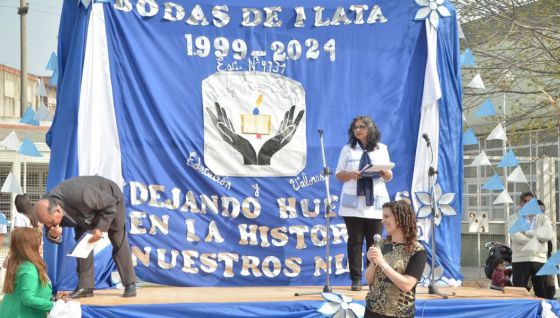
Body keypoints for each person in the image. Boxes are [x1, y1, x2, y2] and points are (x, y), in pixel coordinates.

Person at [34, 176, 137, 298]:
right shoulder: (48, 208)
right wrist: (53, 235)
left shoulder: (80, 194)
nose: (49, 225)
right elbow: (49, 230)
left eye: (50, 223)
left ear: (57, 211)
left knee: (117, 237)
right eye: (46, 224)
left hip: (110, 199)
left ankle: (130, 283)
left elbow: (110, 204)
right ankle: (86, 287)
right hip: (82, 215)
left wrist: (99, 229)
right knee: (82, 245)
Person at [335, 115, 393, 291]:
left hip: (375, 203)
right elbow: (338, 174)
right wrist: (351, 174)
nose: (357, 130)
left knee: (374, 242)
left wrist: (386, 174)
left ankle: (372, 279)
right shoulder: (348, 149)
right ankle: (356, 280)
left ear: (370, 128)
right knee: (355, 241)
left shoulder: (382, 149)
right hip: (353, 203)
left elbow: (389, 175)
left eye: (361, 127)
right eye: (355, 128)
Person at [365, 201, 427, 318]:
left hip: (399, 313)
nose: (382, 221)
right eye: (382, 217)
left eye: (387, 216)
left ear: (399, 219)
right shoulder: (381, 244)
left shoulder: (417, 250)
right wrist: (373, 263)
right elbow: (369, 280)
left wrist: (382, 263)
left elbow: (407, 285)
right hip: (372, 310)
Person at [0, 228, 53, 317]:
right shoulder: (28, 268)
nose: (42, 244)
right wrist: (54, 305)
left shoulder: (21, 264)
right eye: (40, 242)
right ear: (30, 246)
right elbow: (28, 299)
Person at [510, 192, 553, 298]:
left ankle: (542, 313)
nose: (528, 203)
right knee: (518, 293)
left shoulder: (543, 218)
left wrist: (528, 232)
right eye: (525, 201)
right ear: (520, 203)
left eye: (531, 201)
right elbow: (515, 237)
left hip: (539, 260)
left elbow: (547, 235)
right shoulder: (513, 218)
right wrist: (536, 238)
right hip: (520, 260)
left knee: (543, 293)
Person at [538, 200, 557, 299]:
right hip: (535, 260)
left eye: (542, 211)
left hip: (548, 258)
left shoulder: (547, 224)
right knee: (539, 286)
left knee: (550, 287)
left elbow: (552, 242)